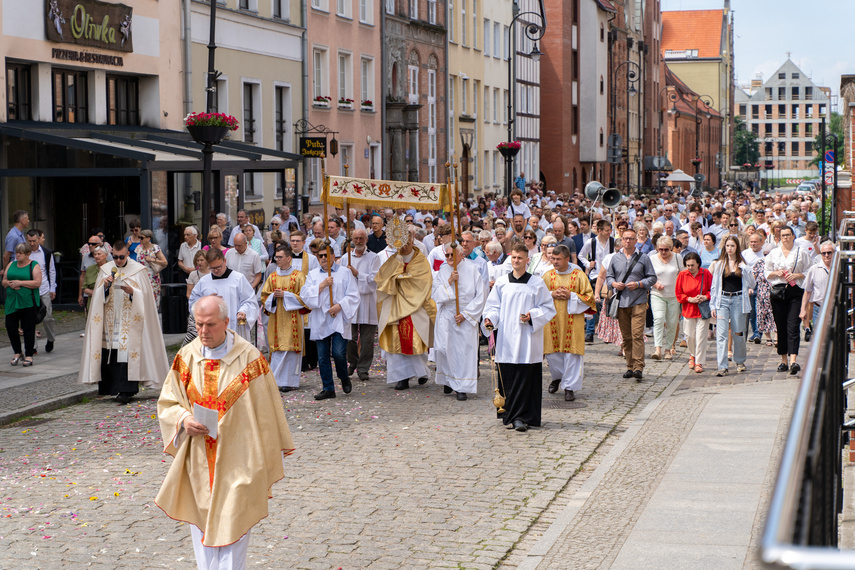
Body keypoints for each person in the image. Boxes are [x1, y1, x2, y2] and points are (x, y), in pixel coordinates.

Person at [156, 295, 295, 569]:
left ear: (226, 322)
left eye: (210, 324)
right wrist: (184, 419)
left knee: (233, 528)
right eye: (199, 325)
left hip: (239, 461)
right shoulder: (186, 357)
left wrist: (263, 458)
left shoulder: (250, 359)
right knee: (203, 530)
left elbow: (267, 413)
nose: (204, 332)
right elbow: (169, 401)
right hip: (198, 461)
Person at [79, 241, 168, 404]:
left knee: (125, 354)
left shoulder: (137, 270)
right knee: (111, 353)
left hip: (129, 320)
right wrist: (105, 287)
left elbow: (146, 296)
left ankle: (126, 391)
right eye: (115, 257)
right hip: (110, 318)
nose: (118, 260)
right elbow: (98, 295)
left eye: (121, 257)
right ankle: (112, 388)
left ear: (127, 254)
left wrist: (133, 291)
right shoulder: (106, 270)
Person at [481, 244, 556, 432]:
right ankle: (510, 415)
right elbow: (493, 306)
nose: (516, 261)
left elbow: (547, 308)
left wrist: (532, 315)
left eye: (520, 258)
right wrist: (490, 318)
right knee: (508, 375)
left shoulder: (536, 283)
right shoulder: (501, 283)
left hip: (527, 339)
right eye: (514, 257)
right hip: (506, 337)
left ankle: (523, 417)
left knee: (525, 376)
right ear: (510, 258)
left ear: (527, 260)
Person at [376, 228, 436, 391]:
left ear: (412, 241)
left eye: (408, 243)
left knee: (416, 341)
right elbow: (381, 280)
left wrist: (407, 281)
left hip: (416, 307)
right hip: (395, 306)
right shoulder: (393, 259)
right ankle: (401, 378)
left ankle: (421, 371)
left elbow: (425, 282)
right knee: (396, 343)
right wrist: (395, 278)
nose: (405, 247)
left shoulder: (421, 260)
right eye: (402, 243)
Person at [300, 243, 360, 400]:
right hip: (321, 319)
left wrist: (340, 306)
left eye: (326, 255)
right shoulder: (313, 275)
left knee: (339, 353)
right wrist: (322, 285)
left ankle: (343, 376)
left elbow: (353, 294)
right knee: (322, 357)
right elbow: (305, 295)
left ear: (334, 256)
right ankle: (328, 387)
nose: (324, 258)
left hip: (339, 317)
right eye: (320, 256)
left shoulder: (345, 273)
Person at [432, 243, 487, 401]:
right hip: (447, 315)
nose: (449, 258)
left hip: (465, 316)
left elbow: (480, 296)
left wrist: (465, 314)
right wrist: (449, 281)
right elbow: (435, 293)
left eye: (452, 255)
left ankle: (461, 386)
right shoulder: (443, 270)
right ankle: (449, 380)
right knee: (446, 349)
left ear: (461, 255)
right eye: (447, 255)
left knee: (462, 353)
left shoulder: (471, 270)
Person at [542, 245, 596, 402]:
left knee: (572, 354)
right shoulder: (547, 276)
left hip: (573, 321)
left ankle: (570, 387)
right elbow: (538, 295)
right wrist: (552, 293)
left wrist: (571, 295)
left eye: (558, 259)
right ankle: (557, 377)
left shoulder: (578, 275)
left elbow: (589, 298)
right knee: (553, 355)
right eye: (553, 259)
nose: (555, 262)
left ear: (567, 259)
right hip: (552, 321)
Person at [606, 228, 657, 381]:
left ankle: (638, 367)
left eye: (631, 238)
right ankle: (630, 366)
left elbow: (652, 278)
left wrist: (639, 284)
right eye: (625, 238)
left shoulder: (644, 257)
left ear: (636, 240)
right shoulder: (615, 258)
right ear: (621, 240)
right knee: (626, 337)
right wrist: (615, 284)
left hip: (639, 300)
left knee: (637, 335)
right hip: (622, 302)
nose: (628, 241)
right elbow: (609, 278)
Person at [260, 243, 308, 392]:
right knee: (278, 349)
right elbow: (264, 297)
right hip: (276, 319)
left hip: (293, 319)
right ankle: (275, 380)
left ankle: (290, 382)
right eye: (276, 257)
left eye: (280, 257)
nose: (277, 259)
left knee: (291, 350)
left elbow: (305, 298)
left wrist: (286, 295)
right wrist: (273, 297)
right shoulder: (272, 277)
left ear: (289, 258)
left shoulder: (299, 276)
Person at [765, 226, 811, 375]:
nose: (785, 238)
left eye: (788, 235)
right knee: (781, 325)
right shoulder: (774, 253)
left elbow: (809, 271)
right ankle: (783, 359)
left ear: (793, 236)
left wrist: (797, 275)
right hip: (778, 291)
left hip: (795, 292)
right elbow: (766, 272)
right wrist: (776, 273)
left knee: (793, 324)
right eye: (783, 235)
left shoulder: (801, 252)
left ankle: (793, 360)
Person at [189, 248, 259, 343]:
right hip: (211, 331)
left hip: (234, 328)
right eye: (212, 268)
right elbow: (193, 303)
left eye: (218, 267)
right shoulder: (204, 282)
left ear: (225, 261)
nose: (216, 271)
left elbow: (249, 301)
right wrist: (206, 301)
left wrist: (243, 311)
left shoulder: (238, 279)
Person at [709, 236, 755, 376]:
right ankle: (722, 366)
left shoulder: (742, 264)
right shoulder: (719, 264)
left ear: (737, 247)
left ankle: (740, 360)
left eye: (732, 246)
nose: (730, 248)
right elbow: (714, 287)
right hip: (722, 299)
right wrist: (712, 305)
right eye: (727, 246)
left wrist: (745, 270)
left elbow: (752, 284)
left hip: (738, 300)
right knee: (721, 334)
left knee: (738, 332)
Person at [344, 229, 381, 382]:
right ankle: (353, 361)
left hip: (367, 301)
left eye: (361, 238)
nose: (358, 241)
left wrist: (358, 274)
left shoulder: (374, 258)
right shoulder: (346, 258)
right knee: (349, 337)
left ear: (366, 239)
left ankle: (363, 368)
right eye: (356, 238)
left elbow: (375, 280)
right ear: (352, 239)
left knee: (367, 340)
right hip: (351, 301)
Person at [3, 243, 42, 367]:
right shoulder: (11, 264)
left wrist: (21, 282)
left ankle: (29, 354)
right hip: (12, 301)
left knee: (28, 329)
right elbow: (3, 281)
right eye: (17, 252)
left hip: (27, 301)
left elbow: (37, 283)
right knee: (10, 327)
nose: (18, 255)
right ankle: (17, 352)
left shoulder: (34, 265)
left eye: (21, 253)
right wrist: (10, 283)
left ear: (28, 254)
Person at [578, 219, 615, 343]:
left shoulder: (612, 241)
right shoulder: (592, 242)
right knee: (592, 303)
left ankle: (607, 332)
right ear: (599, 231)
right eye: (607, 230)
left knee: (608, 305)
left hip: (609, 276)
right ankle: (590, 332)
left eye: (610, 230)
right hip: (595, 275)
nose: (609, 232)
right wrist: (588, 264)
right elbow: (581, 255)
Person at [675, 252, 712, 373]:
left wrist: (705, 297)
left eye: (692, 265)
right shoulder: (682, 274)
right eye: (688, 265)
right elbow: (678, 293)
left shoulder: (705, 273)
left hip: (702, 310)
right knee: (689, 335)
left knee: (701, 336)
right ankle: (692, 354)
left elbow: (713, 290)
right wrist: (688, 299)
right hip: (688, 309)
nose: (690, 268)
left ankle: (699, 362)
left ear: (698, 264)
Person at [649, 236, 684, 361]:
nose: (663, 252)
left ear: (671, 249)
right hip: (657, 294)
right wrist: (655, 284)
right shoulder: (652, 258)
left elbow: (683, 274)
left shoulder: (677, 257)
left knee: (672, 322)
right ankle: (657, 349)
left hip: (674, 295)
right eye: (661, 249)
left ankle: (668, 349)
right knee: (658, 319)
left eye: (666, 250)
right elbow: (647, 276)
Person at [26, 229, 56, 353]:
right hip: (29, 289)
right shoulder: (25, 252)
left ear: (38, 239)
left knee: (48, 317)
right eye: (29, 241)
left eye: (34, 240)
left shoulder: (46, 252)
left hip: (43, 288)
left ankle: (50, 338)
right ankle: (32, 346)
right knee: (29, 318)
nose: (32, 243)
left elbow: (51, 271)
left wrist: (52, 288)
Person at [800, 240, 834, 341]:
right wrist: (802, 310)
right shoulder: (814, 269)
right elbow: (807, 291)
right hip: (819, 308)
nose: (826, 255)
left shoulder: (840, 268)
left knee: (833, 339)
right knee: (820, 339)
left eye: (829, 252)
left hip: (835, 308)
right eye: (824, 253)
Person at [183, 251, 210, 346]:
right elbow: (188, 294)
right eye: (198, 260)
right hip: (197, 308)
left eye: (202, 260)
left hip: (210, 309)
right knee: (192, 335)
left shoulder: (212, 274)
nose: (200, 262)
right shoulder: (193, 275)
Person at [136, 229, 168, 310]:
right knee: (141, 302)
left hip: (152, 278)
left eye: (141, 238)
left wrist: (152, 259)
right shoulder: (138, 248)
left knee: (152, 302)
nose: (139, 239)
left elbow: (165, 262)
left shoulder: (155, 248)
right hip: (140, 278)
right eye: (139, 237)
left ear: (148, 238)